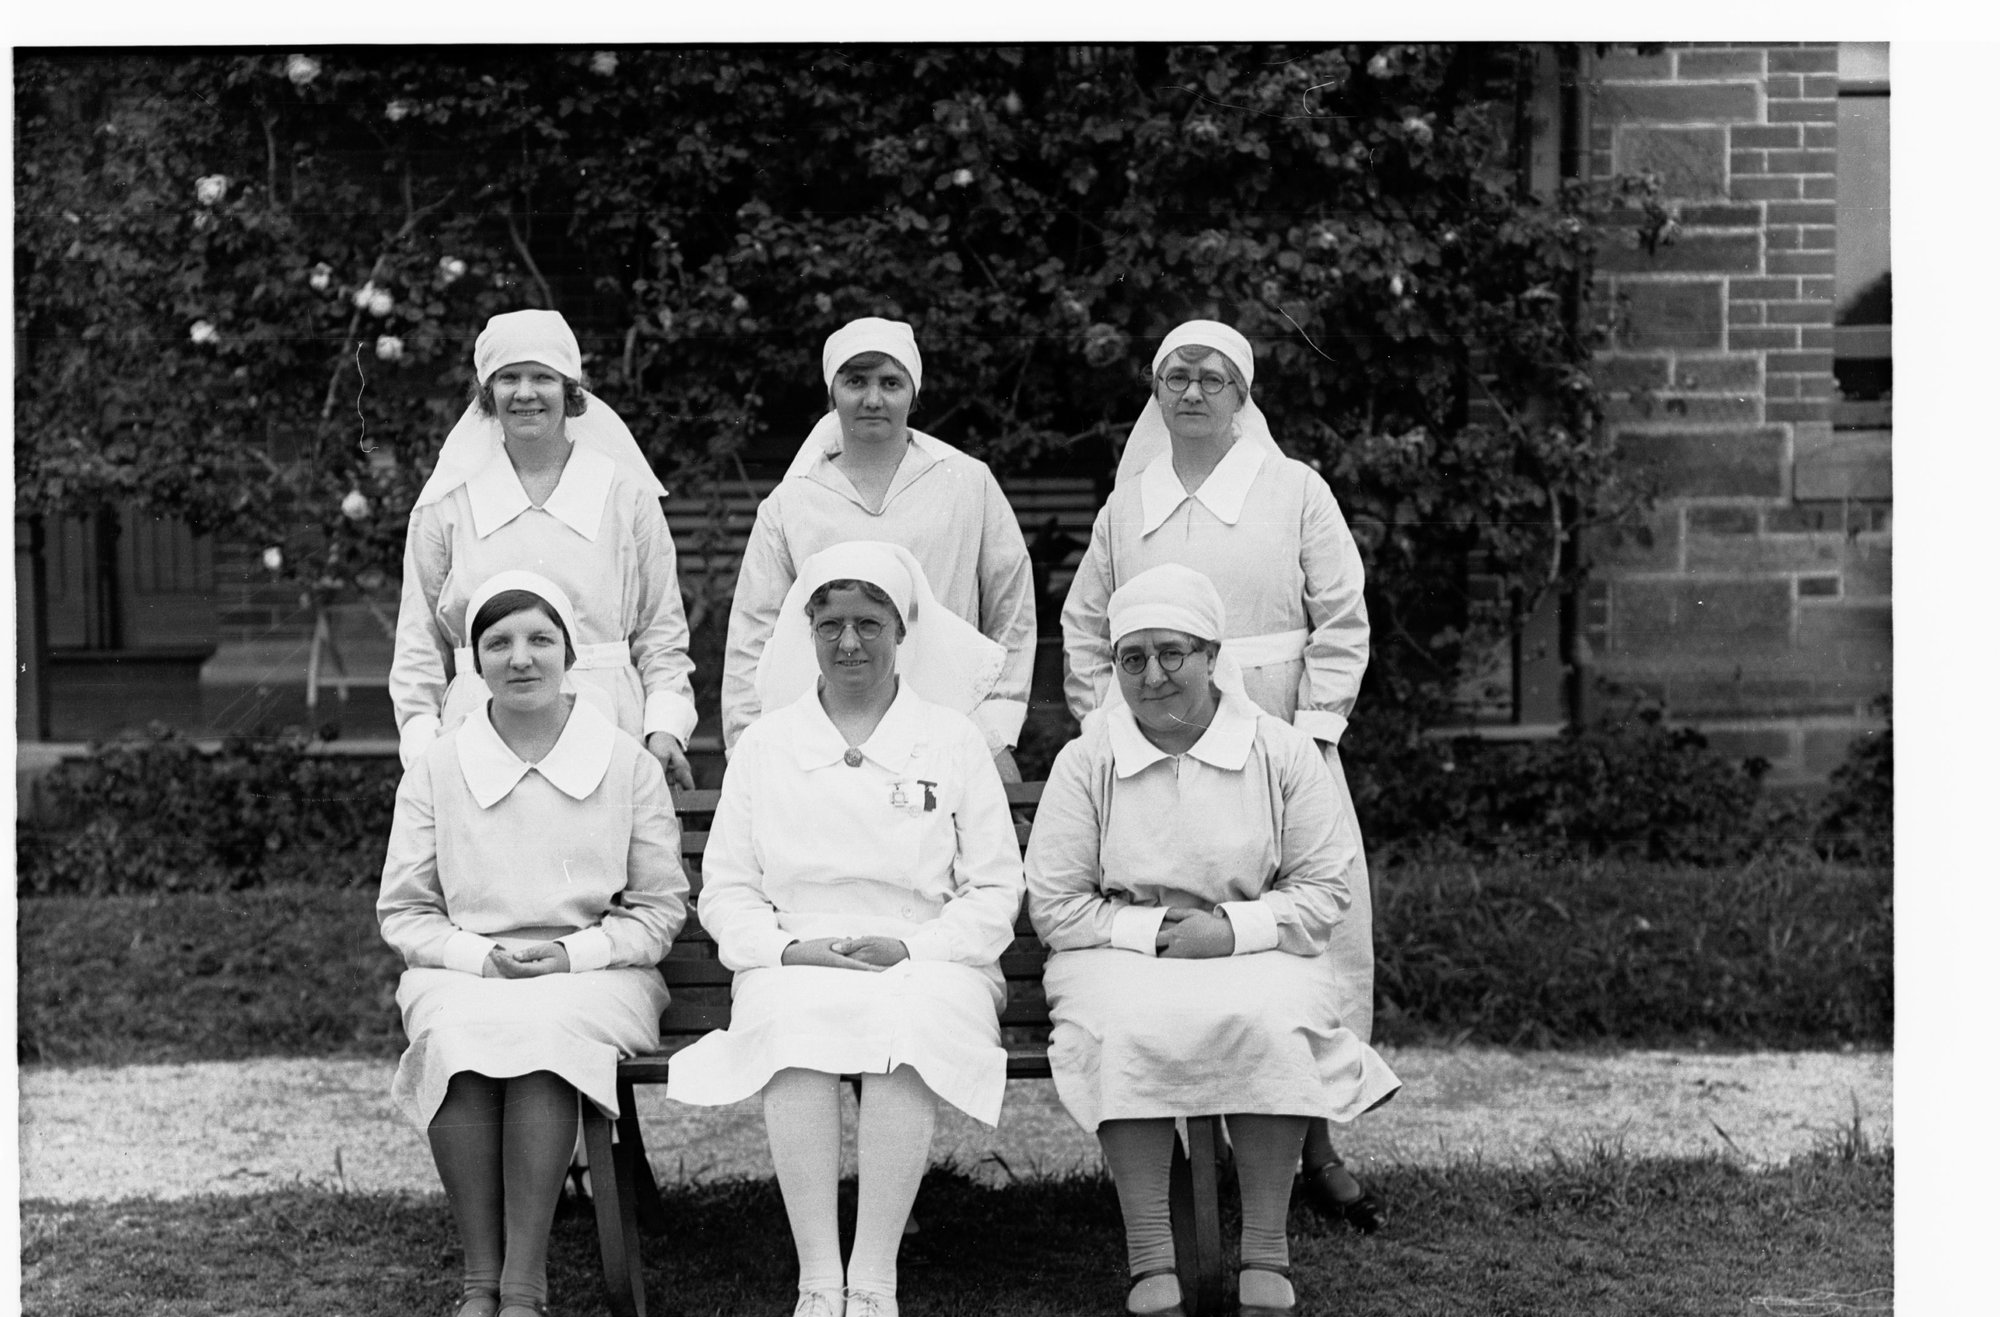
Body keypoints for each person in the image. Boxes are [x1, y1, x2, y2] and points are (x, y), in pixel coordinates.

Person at [1058, 318, 1385, 1230]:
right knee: (1180, 921)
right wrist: (1113, 733)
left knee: (1305, 926)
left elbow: (1342, 618)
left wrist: (1313, 735)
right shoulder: (1128, 507)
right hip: (1158, 742)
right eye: (1174, 377)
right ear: (1156, 393)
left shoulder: (1295, 490)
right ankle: (1178, 1149)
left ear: (1243, 395)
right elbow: (1088, 629)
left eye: (1210, 378)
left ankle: (1315, 1140)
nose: (1191, 393)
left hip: (1278, 735)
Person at [668, 541, 1024, 1317]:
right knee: (796, 1032)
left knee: (906, 1026)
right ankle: (817, 1284)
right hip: (797, 955)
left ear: (904, 630)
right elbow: (726, 891)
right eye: (831, 624)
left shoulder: (951, 739)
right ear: (808, 631)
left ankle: (874, 1285)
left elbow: (995, 886)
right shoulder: (767, 745)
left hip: (930, 955)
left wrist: (917, 947)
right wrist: (792, 949)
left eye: (870, 623)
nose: (850, 643)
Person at [1027, 564, 1399, 1317]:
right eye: (1133, 659)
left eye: (1173, 653)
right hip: (1117, 946)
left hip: (1257, 939)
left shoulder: (1281, 751)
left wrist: (1230, 931)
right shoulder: (1086, 760)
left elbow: (1326, 888)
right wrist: (1154, 934)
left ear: (1211, 654)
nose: (1154, 675)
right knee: (1124, 1022)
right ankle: (1152, 1257)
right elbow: (1057, 906)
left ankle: (1267, 1250)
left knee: (1272, 1017)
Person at [378, 571, 687, 1317]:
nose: (521, 659)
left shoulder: (625, 765)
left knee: (545, 1034)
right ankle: (478, 1286)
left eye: (539, 639)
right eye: (499, 643)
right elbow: (405, 913)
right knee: (459, 1034)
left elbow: (658, 911)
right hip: (467, 969)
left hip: (598, 971)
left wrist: (571, 956)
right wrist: (482, 959)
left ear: (569, 653)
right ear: (475, 662)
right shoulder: (439, 769)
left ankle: (523, 1291)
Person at [391, 308, 699, 791]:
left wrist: (663, 728)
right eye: (509, 378)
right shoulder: (447, 504)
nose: (526, 393)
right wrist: (423, 743)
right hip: (479, 735)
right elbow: (418, 639)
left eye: (543, 377)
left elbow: (661, 630)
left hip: (608, 724)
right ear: (487, 394)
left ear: (570, 391)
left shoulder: (625, 495)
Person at [721, 316, 1035, 779]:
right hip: (823, 740)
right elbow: (754, 632)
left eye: (890, 382)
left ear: (914, 392)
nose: (872, 399)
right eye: (855, 382)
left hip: (946, 731)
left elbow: (1012, 608)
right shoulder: (792, 502)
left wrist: (994, 731)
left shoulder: (967, 482)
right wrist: (750, 747)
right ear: (833, 393)